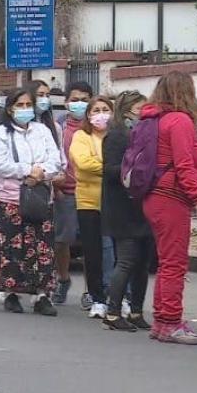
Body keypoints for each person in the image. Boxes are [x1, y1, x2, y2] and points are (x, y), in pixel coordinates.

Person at [141, 71, 197, 345]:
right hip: (171, 196)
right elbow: (184, 165)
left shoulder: (154, 118)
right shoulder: (179, 121)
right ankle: (171, 322)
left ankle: (163, 320)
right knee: (175, 263)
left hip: (154, 196)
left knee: (167, 261)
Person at [0, 89, 61, 316]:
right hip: (10, 199)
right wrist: (27, 171)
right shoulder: (0, 134)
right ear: (10, 109)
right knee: (11, 248)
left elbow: (55, 160)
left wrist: (40, 174)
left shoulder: (42, 131)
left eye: (29, 105)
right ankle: (11, 292)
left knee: (42, 248)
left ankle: (41, 295)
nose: (25, 109)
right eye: (21, 105)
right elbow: (1, 165)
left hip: (39, 197)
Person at [100, 92, 154, 332]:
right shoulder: (116, 136)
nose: (144, 112)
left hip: (141, 206)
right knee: (127, 260)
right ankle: (112, 312)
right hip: (122, 207)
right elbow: (109, 170)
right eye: (140, 107)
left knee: (142, 263)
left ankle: (136, 310)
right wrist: (131, 170)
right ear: (129, 109)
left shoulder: (142, 134)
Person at [69, 97, 113, 319]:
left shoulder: (116, 137)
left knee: (114, 252)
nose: (101, 114)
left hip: (114, 202)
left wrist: (106, 167)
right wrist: (112, 167)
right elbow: (84, 164)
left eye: (106, 109)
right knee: (93, 252)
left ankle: (117, 296)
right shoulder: (81, 136)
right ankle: (97, 298)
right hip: (88, 202)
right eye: (96, 110)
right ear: (88, 115)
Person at [51, 81, 92, 306]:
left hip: (91, 193)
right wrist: (56, 186)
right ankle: (63, 279)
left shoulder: (97, 127)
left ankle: (90, 289)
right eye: (75, 100)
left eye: (85, 100)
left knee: (91, 243)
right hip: (65, 192)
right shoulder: (59, 128)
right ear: (66, 102)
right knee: (62, 241)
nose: (79, 104)